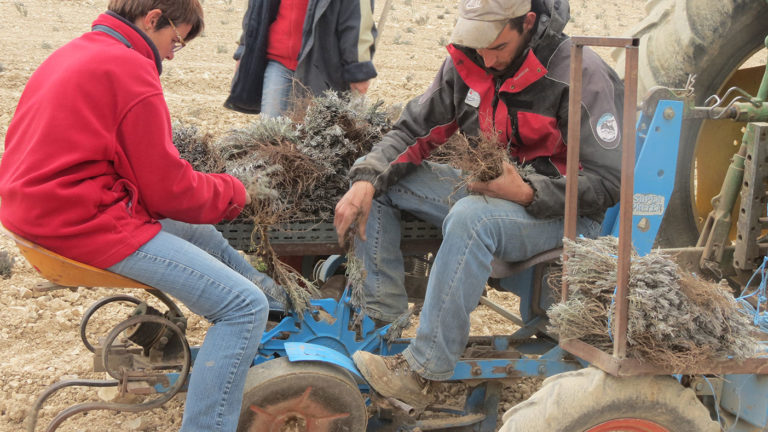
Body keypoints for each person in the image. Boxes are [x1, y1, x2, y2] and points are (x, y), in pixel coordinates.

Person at [0, 0, 287, 430]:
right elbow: (167, 188)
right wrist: (234, 191)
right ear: (152, 18)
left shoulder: (76, 50)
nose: (172, 53)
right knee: (244, 307)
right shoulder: (130, 70)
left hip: (40, 209)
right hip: (79, 222)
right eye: (175, 39)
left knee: (198, 231)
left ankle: (281, 307)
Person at [334, 0, 624, 410]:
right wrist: (366, 178)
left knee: (472, 218)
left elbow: (609, 183)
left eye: (497, 47)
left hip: (565, 214)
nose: (486, 60)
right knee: (382, 183)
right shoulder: (469, 60)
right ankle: (383, 328)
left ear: (527, 23)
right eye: (478, 47)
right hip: (492, 190)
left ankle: (422, 371)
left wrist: (525, 191)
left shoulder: (579, 73)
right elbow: (414, 129)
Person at [223, 0, 378, 116]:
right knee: (272, 138)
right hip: (278, 62)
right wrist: (244, 48)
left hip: (322, 67)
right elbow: (257, 8)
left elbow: (358, 18)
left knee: (318, 142)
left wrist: (359, 66)